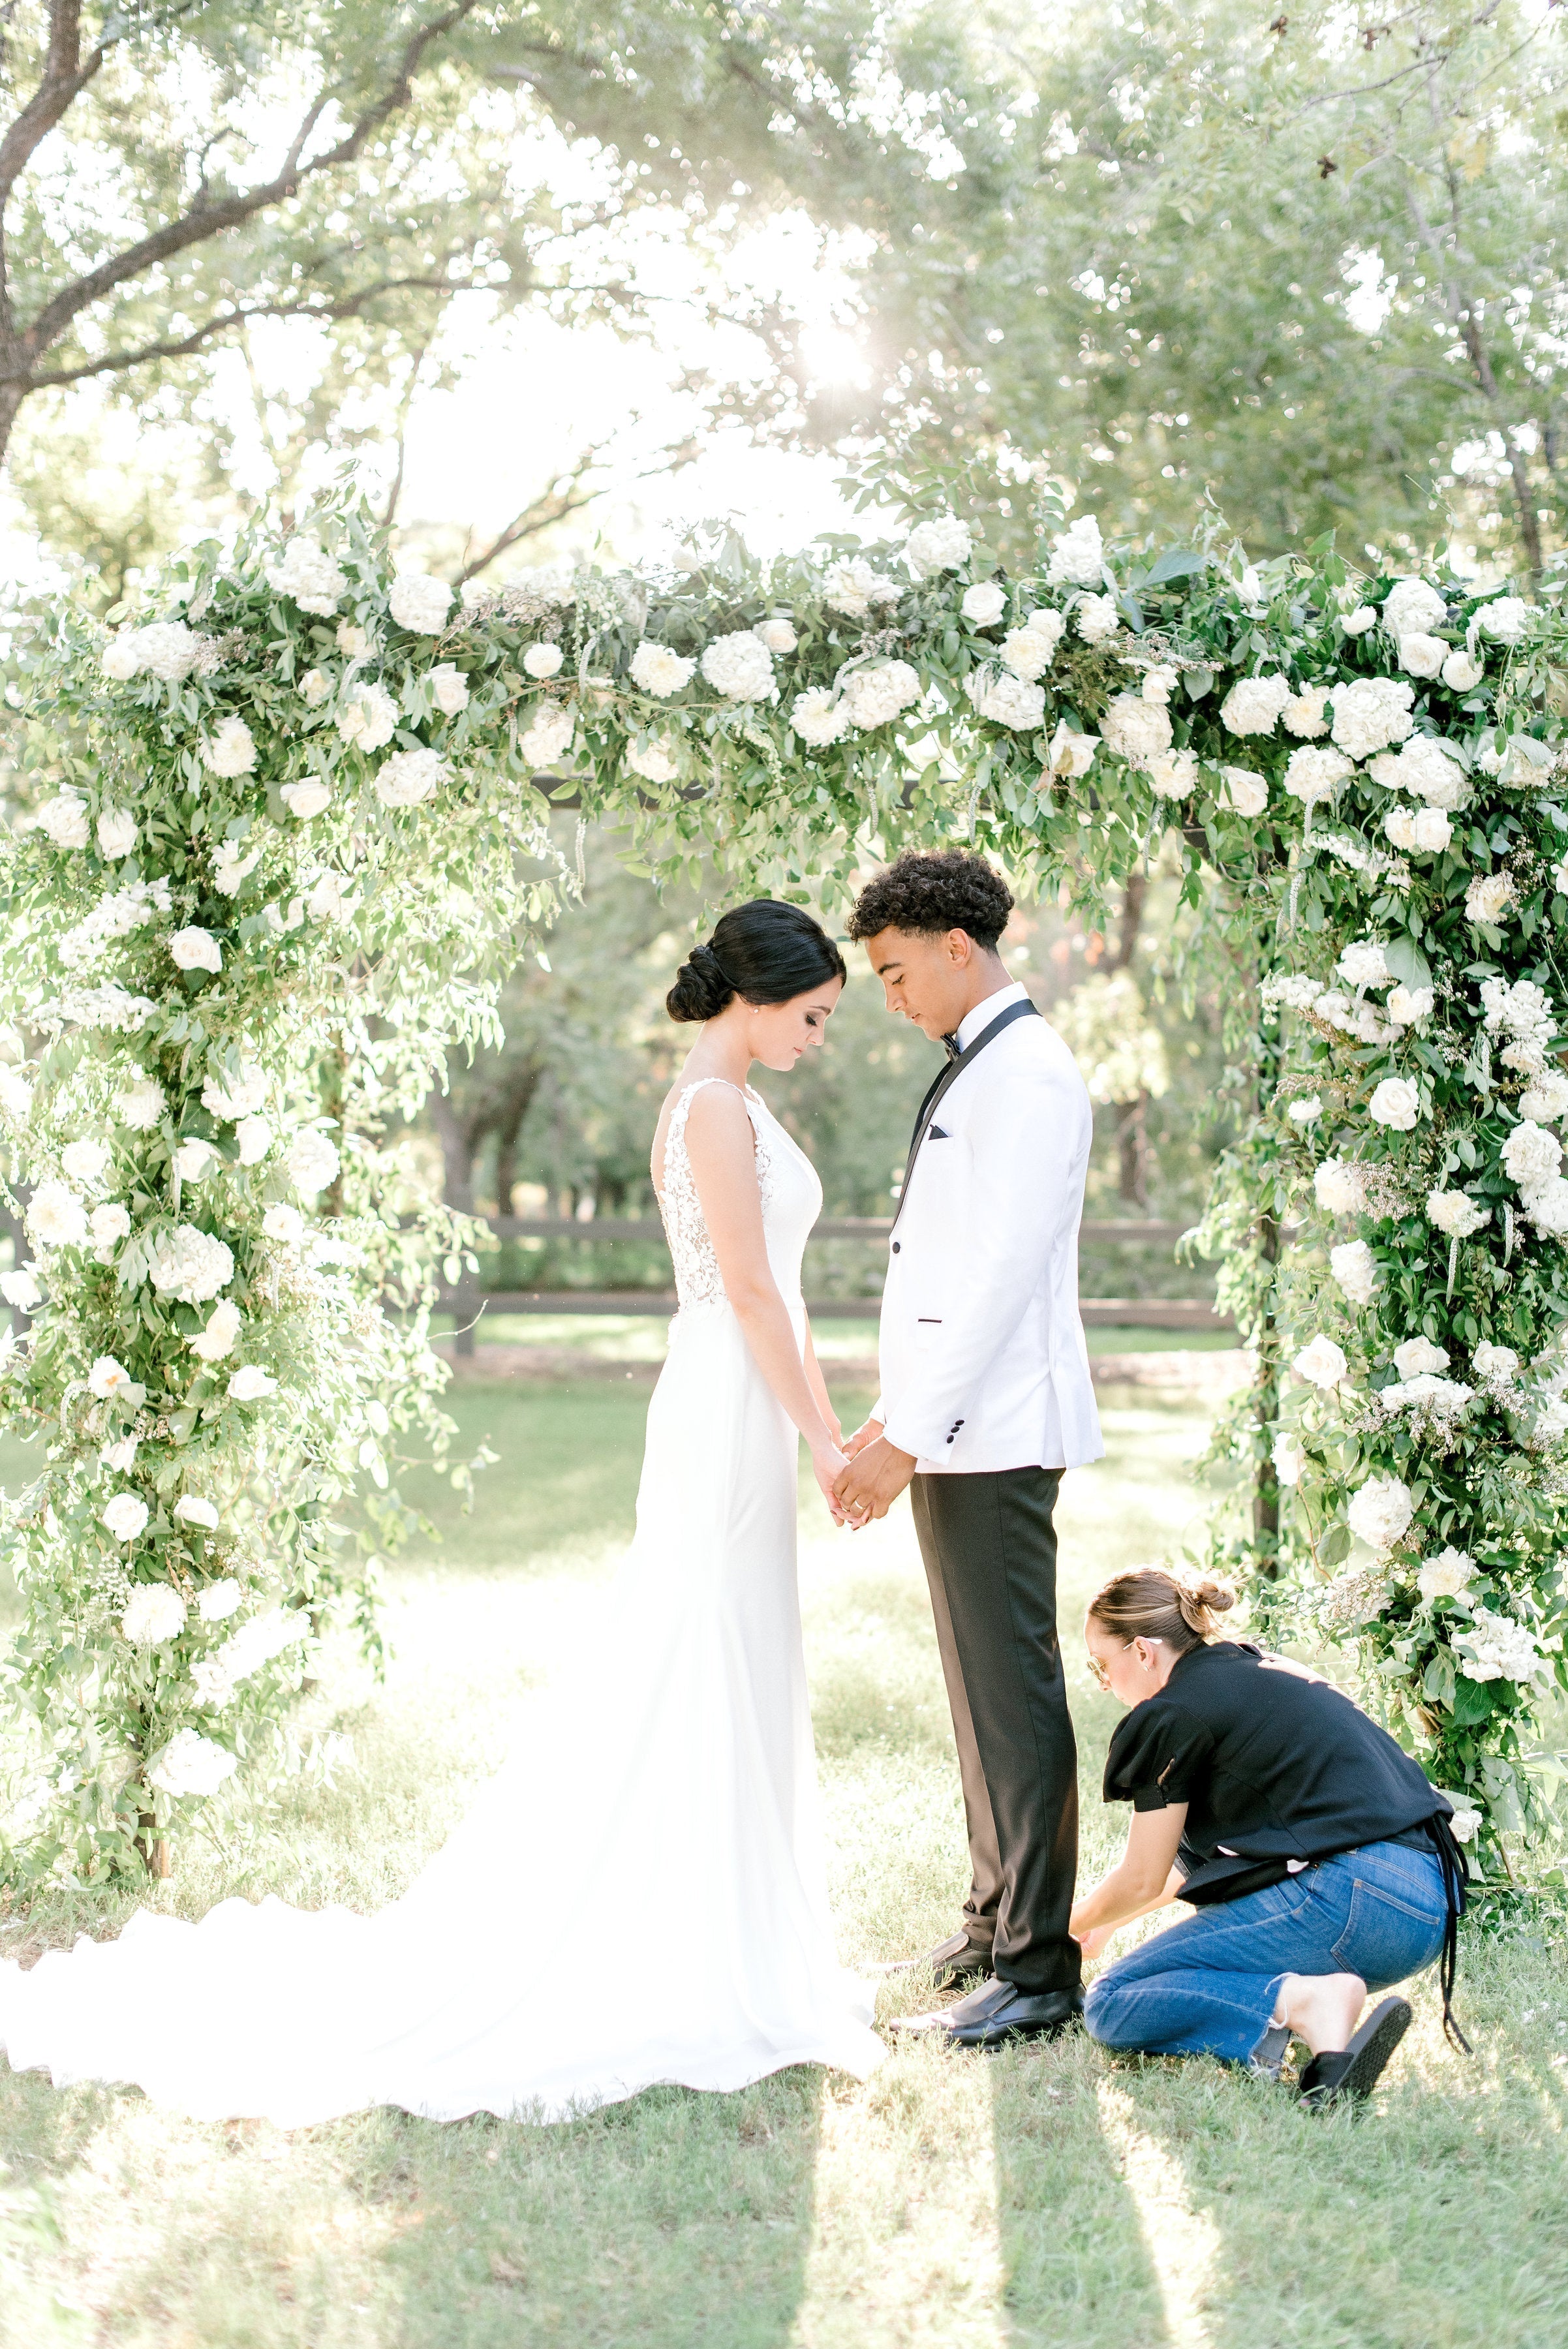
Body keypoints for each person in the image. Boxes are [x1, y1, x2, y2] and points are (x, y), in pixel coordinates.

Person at [0, 899, 885, 2125]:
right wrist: (826, 1437)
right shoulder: (715, 1107)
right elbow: (743, 1286)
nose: (818, 1036)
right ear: (757, 992)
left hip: (736, 1400)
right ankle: (693, 1942)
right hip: (727, 1400)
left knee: (729, 1643)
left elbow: (765, 1289)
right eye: (812, 1014)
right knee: (701, 1641)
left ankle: (723, 1922)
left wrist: (816, 1428)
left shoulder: (720, 1101)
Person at [833, 850, 1103, 2049]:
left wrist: (906, 1433)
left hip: (990, 1432)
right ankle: (994, 1924)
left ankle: (1040, 1975)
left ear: (957, 945)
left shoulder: (1029, 1073)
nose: (890, 1000)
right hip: (954, 1426)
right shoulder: (984, 1064)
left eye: (895, 974)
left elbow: (995, 1281)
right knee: (974, 1688)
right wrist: (899, 1419)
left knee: (1012, 1695)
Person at [1073, 1565, 1469, 2110]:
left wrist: (1054, 1930)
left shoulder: (1173, 1713)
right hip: (1426, 1904)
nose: (1102, 1682)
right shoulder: (1254, 1667)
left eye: (1101, 1663)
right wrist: (1104, 1925)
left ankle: (1307, 2000)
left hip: (1353, 1897)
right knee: (1178, 1972)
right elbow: (1185, 1864)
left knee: (1112, 2002)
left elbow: (1140, 1877)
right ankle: (1329, 2059)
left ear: (1142, 1651)